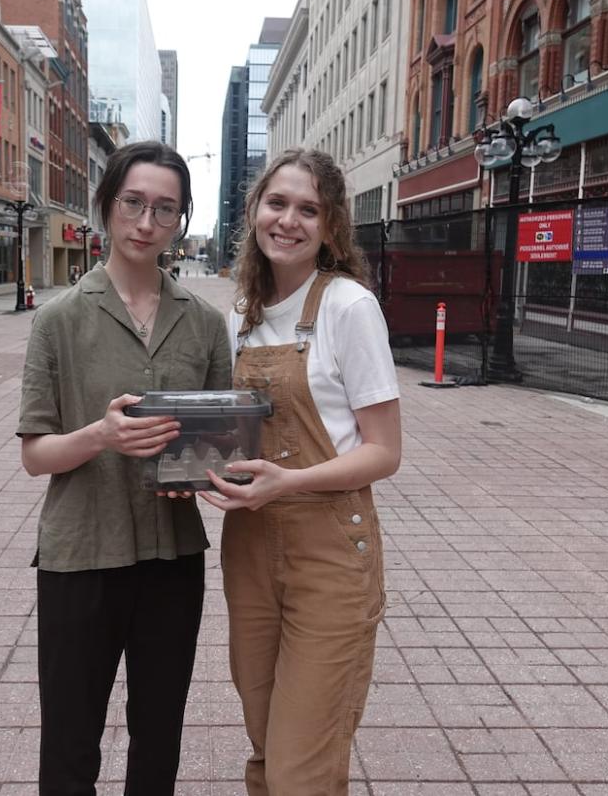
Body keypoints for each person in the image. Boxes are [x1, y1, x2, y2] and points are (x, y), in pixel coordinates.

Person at [16, 140, 231, 795]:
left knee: (159, 732)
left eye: (166, 210)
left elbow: (220, 443)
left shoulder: (205, 325)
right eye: (134, 203)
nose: (146, 223)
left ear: (181, 222)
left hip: (172, 560)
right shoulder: (58, 320)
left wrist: (220, 471)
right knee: (71, 739)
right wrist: (102, 435)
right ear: (107, 205)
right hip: (80, 556)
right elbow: (35, 455)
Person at [201, 148, 402, 795]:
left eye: (308, 209)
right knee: (267, 747)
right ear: (256, 210)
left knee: (301, 769)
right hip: (251, 551)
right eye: (277, 203)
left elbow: (384, 451)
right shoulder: (240, 316)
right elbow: (232, 437)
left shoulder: (349, 307)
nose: (288, 220)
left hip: (330, 555)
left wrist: (287, 482)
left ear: (331, 227)